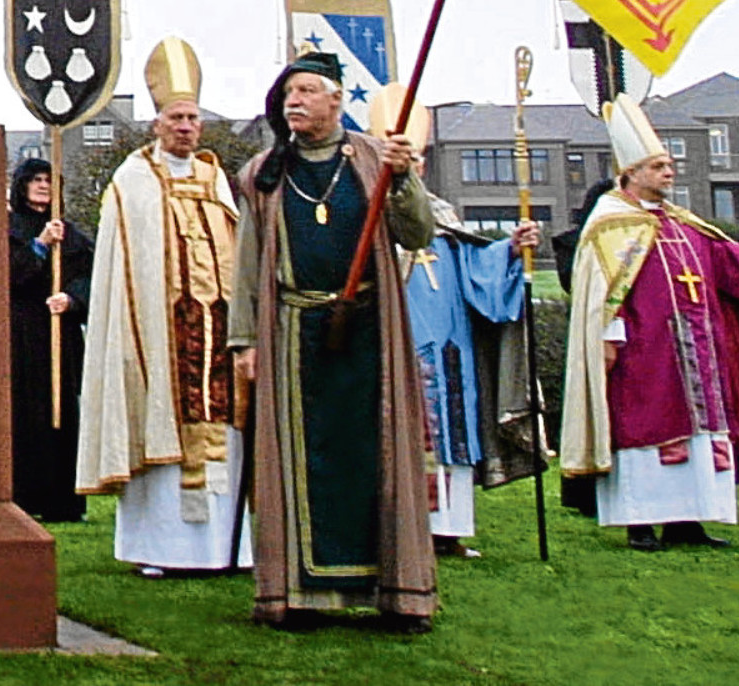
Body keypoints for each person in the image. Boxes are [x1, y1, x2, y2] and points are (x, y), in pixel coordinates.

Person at [229, 51, 437, 629]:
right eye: (288, 92)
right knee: (300, 457)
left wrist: (404, 180)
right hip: (294, 330)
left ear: (337, 99)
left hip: (368, 329)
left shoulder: (375, 159)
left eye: (306, 91)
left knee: (374, 453)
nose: (294, 101)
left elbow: (417, 232)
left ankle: (391, 590)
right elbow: (248, 264)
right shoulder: (264, 173)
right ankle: (299, 592)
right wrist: (243, 340)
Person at [559, 97, 739, 550]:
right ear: (632, 173)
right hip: (644, 352)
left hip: (698, 348)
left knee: (700, 434)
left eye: (671, 165)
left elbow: (731, 262)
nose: (669, 172)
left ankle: (689, 521)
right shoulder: (609, 227)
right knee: (645, 429)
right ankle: (639, 521)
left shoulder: (682, 223)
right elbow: (600, 293)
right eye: (659, 165)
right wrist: (608, 338)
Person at [76, 37, 247, 574]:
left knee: (225, 425)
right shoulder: (132, 180)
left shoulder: (215, 177)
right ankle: (162, 549)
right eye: (176, 117)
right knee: (162, 422)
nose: (185, 127)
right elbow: (126, 267)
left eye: (193, 118)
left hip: (215, 329)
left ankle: (228, 547)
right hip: (158, 332)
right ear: (156, 123)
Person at [397, 163, 542, 558]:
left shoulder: (441, 213)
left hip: (452, 347)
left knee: (453, 432)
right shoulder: (372, 214)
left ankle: (448, 531)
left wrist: (510, 249)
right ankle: (402, 531)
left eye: (415, 160)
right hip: (401, 344)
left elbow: (475, 270)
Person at [6, 156, 93, 522]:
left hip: (62, 333)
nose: (43, 186)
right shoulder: (7, 228)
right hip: (24, 333)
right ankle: (26, 496)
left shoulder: (73, 236)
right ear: (23, 185)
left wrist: (72, 299)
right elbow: (8, 276)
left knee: (64, 413)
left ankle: (64, 499)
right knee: (26, 413)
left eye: (49, 180)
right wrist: (39, 245)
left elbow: (93, 277)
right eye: (36, 179)